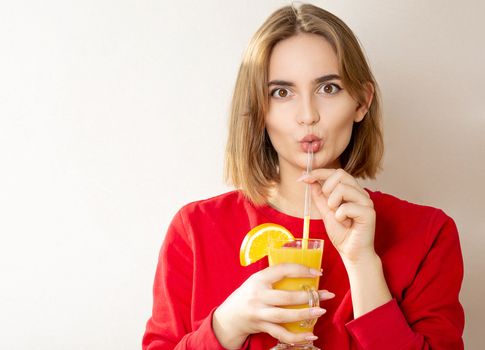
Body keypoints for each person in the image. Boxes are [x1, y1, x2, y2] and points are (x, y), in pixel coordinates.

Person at [142, 3, 464, 349]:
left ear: (361, 102)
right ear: (258, 110)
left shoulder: (429, 234)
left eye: (328, 89)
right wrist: (227, 324)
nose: (307, 115)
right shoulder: (196, 229)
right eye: (281, 93)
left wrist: (363, 263)